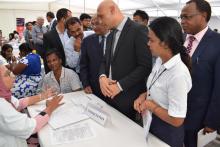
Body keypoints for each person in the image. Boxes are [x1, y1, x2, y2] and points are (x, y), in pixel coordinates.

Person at [134, 17, 192, 147]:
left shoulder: (178, 75)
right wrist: (143, 95)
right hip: (152, 123)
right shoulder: (160, 60)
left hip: (167, 133)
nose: (148, 43)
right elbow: (157, 86)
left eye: (151, 40)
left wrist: (150, 105)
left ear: (165, 43)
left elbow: (177, 120)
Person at [97, 0, 152, 121]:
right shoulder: (110, 35)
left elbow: (145, 66)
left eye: (101, 16)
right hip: (109, 97)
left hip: (130, 101)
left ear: (112, 10)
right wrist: (102, 77)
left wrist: (119, 86)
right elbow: (104, 60)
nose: (100, 21)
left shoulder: (138, 30)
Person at [179, 0, 220, 146]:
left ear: (203, 15)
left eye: (187, 17)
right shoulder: (181, 39)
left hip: (198, 118)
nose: (182, 21)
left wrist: (212, 121)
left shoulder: (217, 43)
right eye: (181, 17)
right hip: (173, 113)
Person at [0, 64, 63, 147]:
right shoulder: (2, 107)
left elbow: (19, 103)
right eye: (7, 75)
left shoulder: (5, 96)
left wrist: (43, 96)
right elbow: (31, 126)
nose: (13, 76)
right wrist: (50, 108)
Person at [80, 15, 109, 100]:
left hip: (112, 87)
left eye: (97, 24)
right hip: (94, 87)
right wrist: (85, 84)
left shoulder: (116, 39)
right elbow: (83, 65)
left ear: (106, 23)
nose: (94, 27)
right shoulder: (87, 41)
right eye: (92, 24)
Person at [43, 8, 72, 73]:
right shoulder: (48, 36)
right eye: (70, 18)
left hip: (72, 70)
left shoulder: (71, 33)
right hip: (58, 71)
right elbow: (47, 57)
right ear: (63, 19)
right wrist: (49, 75)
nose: (72, 20)